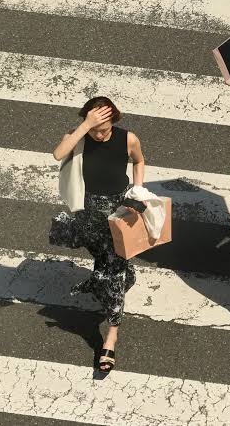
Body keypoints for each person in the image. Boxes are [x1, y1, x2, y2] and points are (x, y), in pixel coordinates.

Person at [50, 97, 145, 373]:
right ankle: (112, 275)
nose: (99, 135)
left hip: (118, 211)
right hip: (88, 211)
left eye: (103, 129)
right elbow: (58, 154)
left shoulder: (128, 139)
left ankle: (110, 337)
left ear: (113, 122)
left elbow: (139, 161)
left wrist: (138, 190)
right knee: (99, 254)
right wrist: (86, 126)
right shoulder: (78, 137)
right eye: (95, 130)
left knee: (114, 272)